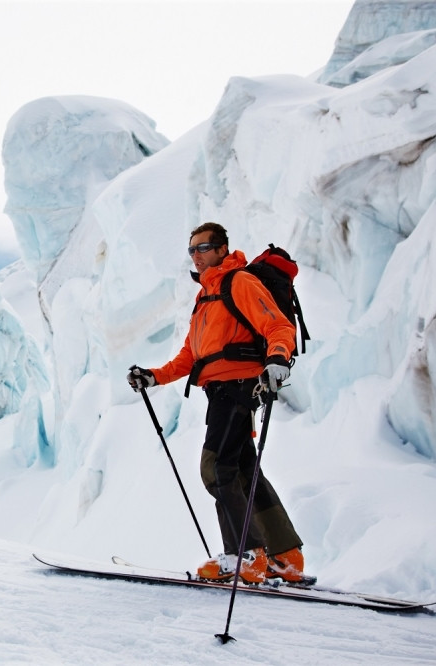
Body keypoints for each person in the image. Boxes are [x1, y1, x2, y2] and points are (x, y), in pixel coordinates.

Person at [127, 222, 305, 585]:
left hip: (238, 387)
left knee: (216, 468)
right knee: (243, 471)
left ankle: (245, 556)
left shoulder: (239, 282)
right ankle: (285, 555)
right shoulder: (206, 298)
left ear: (222, 249)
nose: (196, 255)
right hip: (220, 391)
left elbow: (278, 327)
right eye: (191, 249)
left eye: (203, 247)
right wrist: (153, 376)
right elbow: (191, 355)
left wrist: (277, 359)